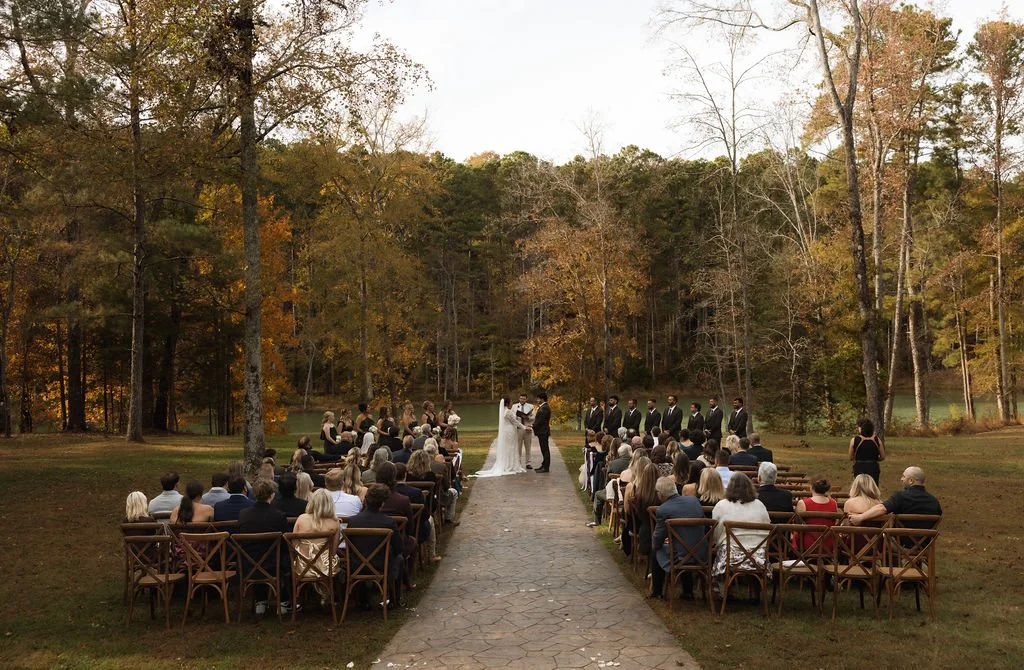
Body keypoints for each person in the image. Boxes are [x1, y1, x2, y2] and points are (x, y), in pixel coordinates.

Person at [238, 478, 294, 615]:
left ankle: (260, 601)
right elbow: (285, 542)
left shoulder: (244, 515)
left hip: (249, 563)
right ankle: (284, 601)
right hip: (274, 564)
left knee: (262, 555)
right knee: (285, 557)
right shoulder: (278, 516)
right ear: (272, 494)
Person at [345, 484, 405, 609]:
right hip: (381, 565)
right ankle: (395, 598)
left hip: (356, 565)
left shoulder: (353, 521)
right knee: (399, 559)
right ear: (382, 503)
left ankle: (362, 600)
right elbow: (399, 548)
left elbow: (349, 546)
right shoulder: (388, 522)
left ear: (366, 500)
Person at [649, 476, 706, 600]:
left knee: (656, 550)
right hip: (701, 553)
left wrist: (658, 544)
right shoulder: (694, 501)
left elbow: (657, 538)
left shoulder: (663, 510)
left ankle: (657, 591)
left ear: (660, 494)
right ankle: (688, 591)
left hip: (680, 555)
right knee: (684, 546)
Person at [711, 473, 770, 583]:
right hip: (758, 557)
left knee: (722, 547)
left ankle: (723, 591)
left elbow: (716, 532)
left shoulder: (721, 505)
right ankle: (756, 591)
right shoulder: (760, 505)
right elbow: (767, 529)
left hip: (730, 557)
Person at [849, 466, 942, 527]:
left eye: (903, 476)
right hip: (924, 545)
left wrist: (860, 517)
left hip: (900, 544)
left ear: (911, 481)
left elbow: (882, 508)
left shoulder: (901, 497)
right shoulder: (934, 501)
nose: (901, 479)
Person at [292, 489, 341, 593]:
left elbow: (294, 544)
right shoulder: (334, 522)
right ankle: (327, 596)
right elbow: (333, 551)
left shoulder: (301, 519)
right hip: (326, 568)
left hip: (302, 567)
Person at [395, 463, 442, 564]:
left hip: (394, 529)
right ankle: (431, 554)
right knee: (430, 519)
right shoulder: (415, 492)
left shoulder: (387, 492)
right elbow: (425, 515)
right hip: (414, 529)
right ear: (405, 475)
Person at [475, 397, 528, 477]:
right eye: (511, 402)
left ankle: (508, 463)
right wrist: (524, 427)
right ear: (507, 403)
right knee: (511, 447)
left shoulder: (504, 411)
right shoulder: (508, 412)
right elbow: (515, 422)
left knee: (508, 447)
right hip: (510, 431)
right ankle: (510, 465)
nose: (512, 403)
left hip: (507, 430)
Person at [622, 461, 658, 558]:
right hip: (657, 527)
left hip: (642, 526)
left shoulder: (638, 494)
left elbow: (629, 511)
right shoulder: (661, 495)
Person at [794, 475, 838, 551]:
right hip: (828, 545)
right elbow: (835, 523)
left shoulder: (803, 503)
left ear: (812, 487)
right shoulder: (834, 503)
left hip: (807, 545)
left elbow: (797, 525)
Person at [849, 418, 886, 485]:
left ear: (861, 429)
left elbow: (851, 457)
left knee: (860, 487)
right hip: (873, 467)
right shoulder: (877, 440)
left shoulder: (854, 440)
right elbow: (883, 456)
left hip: (859, 467)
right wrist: (875, 459)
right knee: (873, 486)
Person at [512, 393, 535, 470]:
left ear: (526, 399)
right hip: (518, 429)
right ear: (519, 398)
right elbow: (512, 417)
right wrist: (518, 416)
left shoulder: (530, 406)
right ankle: (518, 462)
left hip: (527, 428)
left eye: (524, 399)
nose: (522, 400)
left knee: (528, 446)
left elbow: (534, 417)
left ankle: (528, 463)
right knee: (518, 447)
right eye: (521, 398)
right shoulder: (514, 406)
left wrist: (527, 417)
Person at [533, 392, 552, 473]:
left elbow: (540, 421)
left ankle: (546, 467)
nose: (537, 400)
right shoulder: (543, 407)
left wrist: (532, 426)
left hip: (543, 431)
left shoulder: (544, 408)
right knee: (543, 449)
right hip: (542, 431)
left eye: (538, 399)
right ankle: (543, 465)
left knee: (545, 449)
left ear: (542, 399)